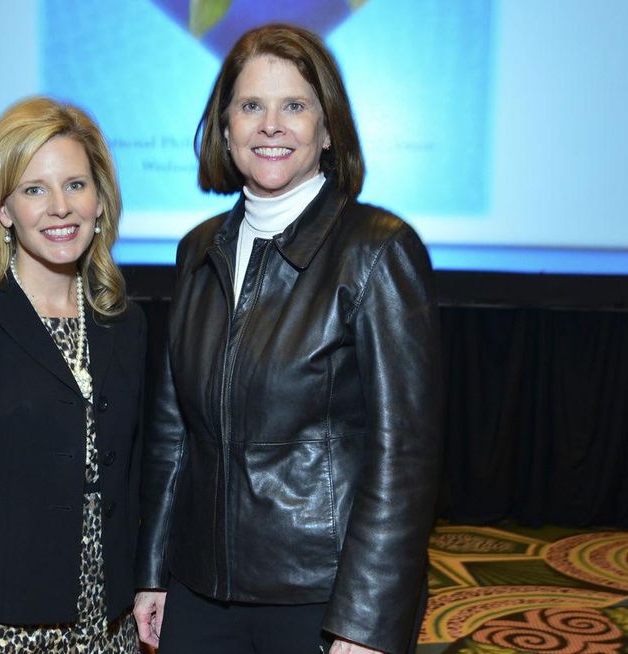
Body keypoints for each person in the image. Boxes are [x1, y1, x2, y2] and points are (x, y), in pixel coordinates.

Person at [133, 23, 442, 654]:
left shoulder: (378, 251)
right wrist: (153, 574)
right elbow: (172, 436)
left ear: (327, 130)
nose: (271, 125)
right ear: (225, 128)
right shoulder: (197, 251)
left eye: (294, 106)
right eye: (251, 106)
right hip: (197, 587)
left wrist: (366, 622)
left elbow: (403, 457)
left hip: (323, 596)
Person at [0, 97, 146, 653]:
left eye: (76, 185)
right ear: (3, 210)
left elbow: (133, 482)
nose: (60, 207)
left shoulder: (123, 323)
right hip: (4, 632)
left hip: (111, 627)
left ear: (101, 201)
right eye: (34, 189)